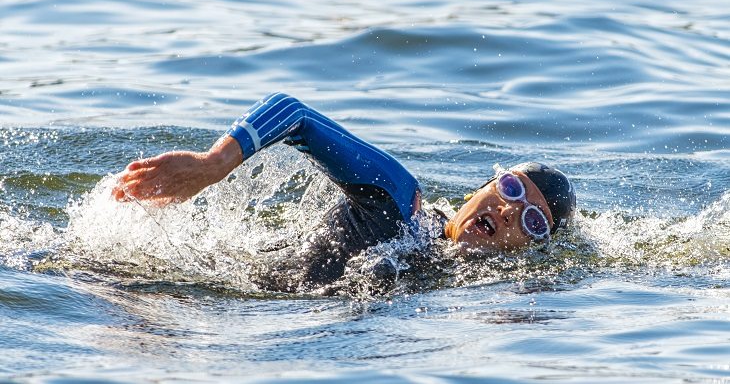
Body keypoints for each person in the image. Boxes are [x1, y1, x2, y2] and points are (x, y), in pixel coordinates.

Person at [112, 92, 576, 292]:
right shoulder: (400, 201)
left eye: (533, 222)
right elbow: (292, 114)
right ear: (482, 187)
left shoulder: (471, 286)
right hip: (161, 276)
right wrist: (213, 165)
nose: (510, 211)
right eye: (511, 188)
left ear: (531, 251)